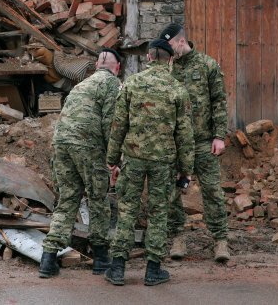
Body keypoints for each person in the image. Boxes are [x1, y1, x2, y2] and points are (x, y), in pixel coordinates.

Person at [103, 39, 194, 287]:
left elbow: (118, 125)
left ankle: (117, 268)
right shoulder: (178, 89)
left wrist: (112, 160)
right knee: (158, 213)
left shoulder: (131, 84)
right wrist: (186, 170)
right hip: (163, 162)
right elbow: (185, 135)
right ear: (171, 59)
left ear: (149, 57)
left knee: (127, 211)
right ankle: (153, 270)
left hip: (133, 159)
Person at [38, 48, 123, 279]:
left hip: (61, 145)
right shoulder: (112, 84)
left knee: (67, 200)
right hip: (88, 146)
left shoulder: (81, 85)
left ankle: (48, 258)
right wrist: (114, 160)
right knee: (98, 199)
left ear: (96, 66)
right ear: (117, 68)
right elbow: (110, 124)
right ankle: (101, 258)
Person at [158, 22, 232, 262]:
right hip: (175, 144)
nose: (168, 51)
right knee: (172, 192)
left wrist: (219, 136)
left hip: (203, 141)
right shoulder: (167, 68)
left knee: (212, 190)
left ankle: (220, 240)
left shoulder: (207, 65)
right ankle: (178, 237)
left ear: (181, 41)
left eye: (170, 45)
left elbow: (219, 101)